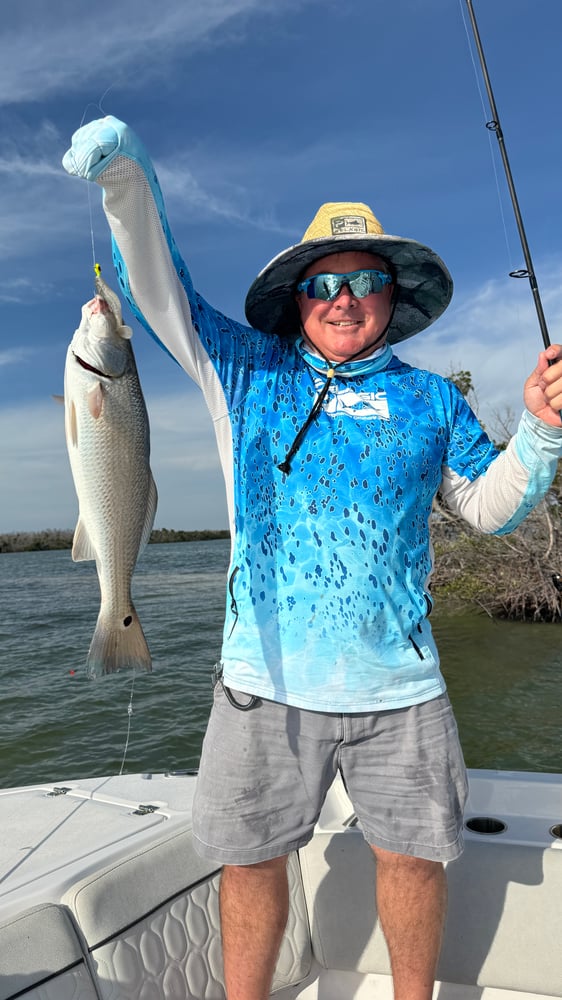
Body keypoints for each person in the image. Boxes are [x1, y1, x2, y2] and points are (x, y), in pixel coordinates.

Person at [64, 117, 562, 1000]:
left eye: (363, 280)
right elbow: (160, 288)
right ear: (297, 297)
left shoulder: (431, 400)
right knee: (249, 864)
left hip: (400, 693)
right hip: (261, 683)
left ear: (391, 295)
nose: (342, 297)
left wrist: (543, 429)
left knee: (412, 863)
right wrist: (128, 182)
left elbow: (490, 508)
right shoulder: (245, 371)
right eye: (322, 283)